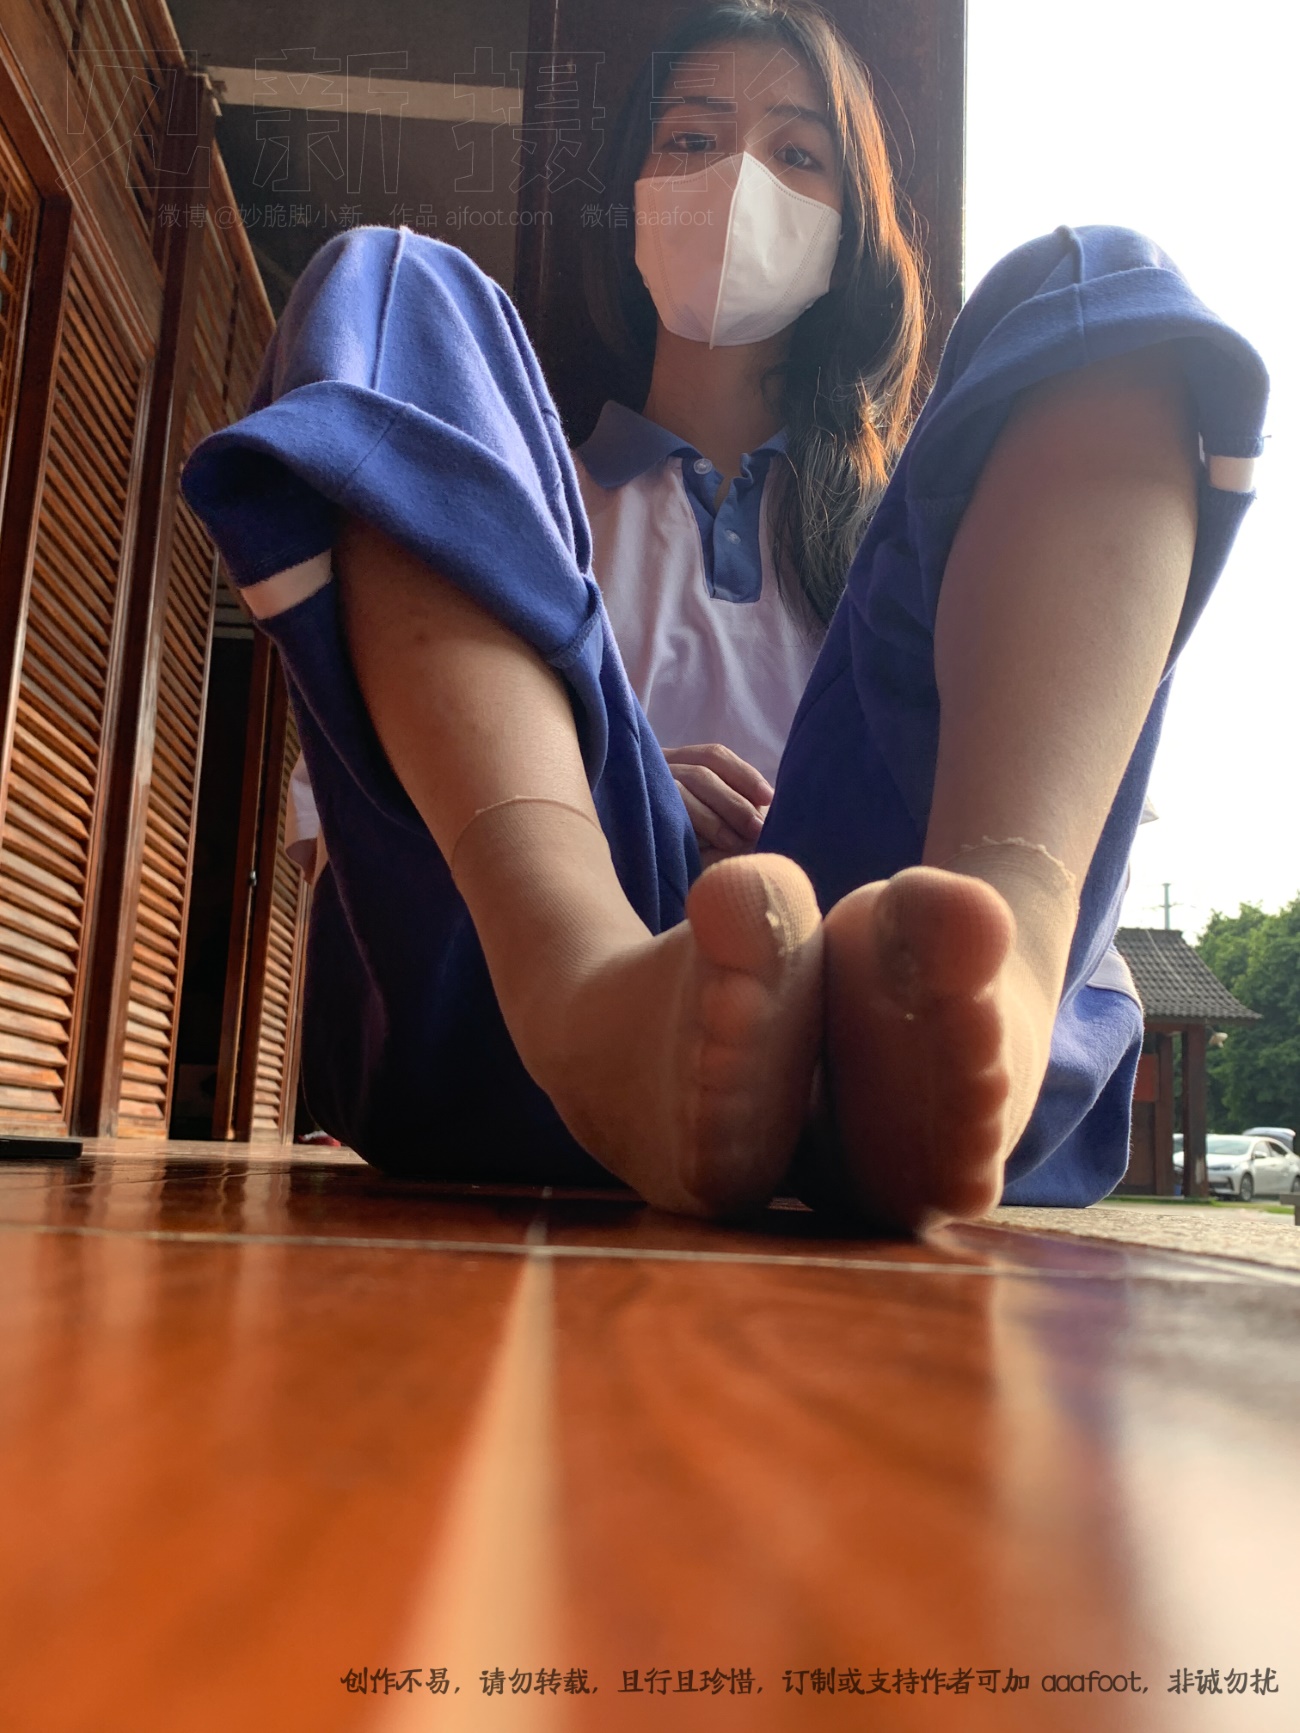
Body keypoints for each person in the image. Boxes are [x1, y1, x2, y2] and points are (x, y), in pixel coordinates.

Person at [182, 0, 1267, 1229]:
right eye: (691, 140)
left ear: (853, 230)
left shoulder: (947, 553)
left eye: (797, 153)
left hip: (894, 982)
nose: (739, 179)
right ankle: (589, 993)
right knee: (387, 281)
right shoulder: (492, 495)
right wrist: (612, 793)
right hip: (531, 1011)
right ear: (630, 195)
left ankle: (986, 985)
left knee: (1101, 284)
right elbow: (342, 852)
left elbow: (1092, 803)